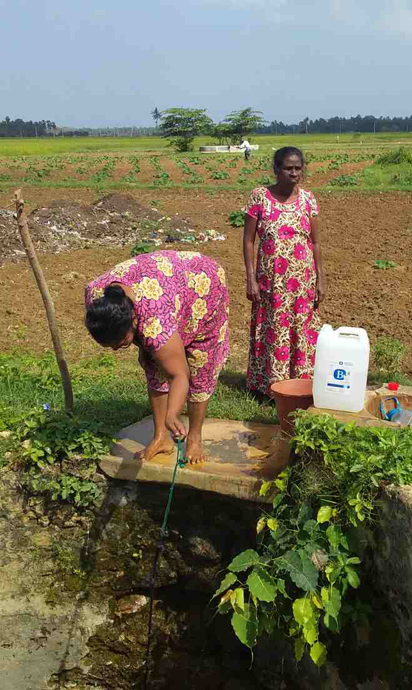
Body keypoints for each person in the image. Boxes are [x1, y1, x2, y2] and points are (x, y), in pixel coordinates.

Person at [84, 250, 229, 462]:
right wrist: (143, 347)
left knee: (201, 364)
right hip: (164, 284)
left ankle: (195, 437)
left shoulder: (154, 323)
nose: (115, 350)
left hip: (202, 283)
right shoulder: (96, 297)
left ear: (133, 320)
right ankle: (161, 438)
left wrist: (173, 414)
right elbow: (144, 341)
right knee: (152, 360)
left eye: (121, 343)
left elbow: (180, 375)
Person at [243, 146, 325, 396]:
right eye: (288, 168)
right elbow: (248, 241)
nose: (293, 173)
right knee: (272, 328)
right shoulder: (260, 197)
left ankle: (300, 386)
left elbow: (316, 242)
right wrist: (250, 279)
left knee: (301, 329)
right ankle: (270, 386)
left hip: (302, 281)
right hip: (271, 281)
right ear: (276, 169)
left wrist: (321, 279)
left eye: (298, 168)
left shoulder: (308, 199)